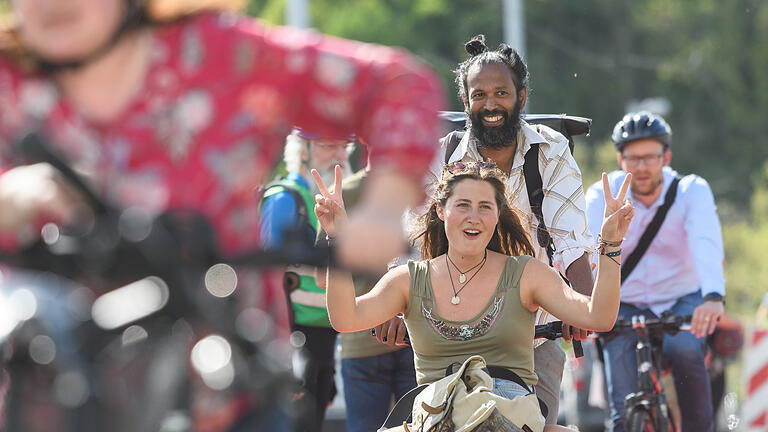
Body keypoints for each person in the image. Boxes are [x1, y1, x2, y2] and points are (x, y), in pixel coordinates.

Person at [0, 0, 444, 429]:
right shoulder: (9, 80)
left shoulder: (220, 55)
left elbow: (399, 84)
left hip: (231, 393)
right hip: (46, 399)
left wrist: (385, 207)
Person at [314, 161, 634, 432]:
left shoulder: (526, 274)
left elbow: (598, 317)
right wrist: (336, 237)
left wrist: (611, 243)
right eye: (463, 205)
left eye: (485, 207)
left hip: (510, 415)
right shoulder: (410, 279)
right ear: (440, 210)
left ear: (497, 215)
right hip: (435, 416)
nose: (474, 217)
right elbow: (346, 318)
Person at [417, 33, 596, 424]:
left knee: (535, 423)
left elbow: (571, 240)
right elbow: (416, 239)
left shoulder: (550, 150)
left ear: (523, 96)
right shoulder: (443, 156)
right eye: (478, 95)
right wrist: (397, 313)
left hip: (535, 331)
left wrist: (581, 305)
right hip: (453, 330)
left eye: (501, 93)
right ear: (465, 102)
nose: (490, 104)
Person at [585, 111, 726, 432]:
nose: (641, 167)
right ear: (620, 160)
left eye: (650, 157)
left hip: (682, 298)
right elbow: (587, 254)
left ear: (667, 157)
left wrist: (713, 296)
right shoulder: (602, 195)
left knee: (685, 348)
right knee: (621, 412)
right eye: (633, 158)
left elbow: (706, 242)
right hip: (624, 303)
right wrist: (584, 306)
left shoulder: (691, 191)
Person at [259, 128, 354, 431]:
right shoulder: (284, 199)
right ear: (302, 151)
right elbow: (264, 273)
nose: (340, 155)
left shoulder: (341, 199)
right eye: (329, 146)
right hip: (295, 338)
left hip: (328, 335)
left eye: (345, 146)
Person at [315, 167, 419, 432]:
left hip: (390, 340)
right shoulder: (416, 185)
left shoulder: (345, 191)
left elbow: (321, 277)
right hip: (398, 335)